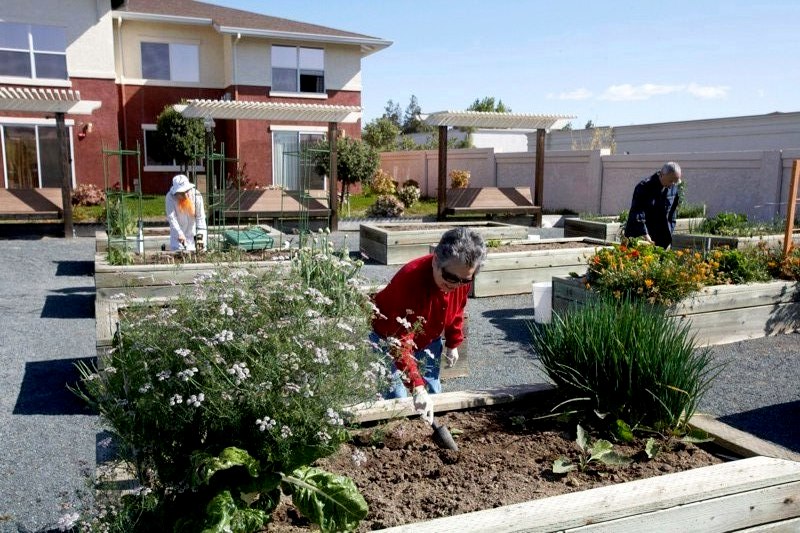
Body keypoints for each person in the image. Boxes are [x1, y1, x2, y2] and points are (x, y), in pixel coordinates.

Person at [370, 227, 486, 423]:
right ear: (435, 261)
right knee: (397, 397)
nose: (456, 285)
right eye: (450, 278)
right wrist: (416, 386)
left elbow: (457, 310)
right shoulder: (410, 280)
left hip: (428, 340)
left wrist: (453, 343)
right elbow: (399, 341)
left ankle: (427, 430)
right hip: (389, 338)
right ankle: (392, 436)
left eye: (465, 280)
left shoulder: (460, 278)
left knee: (432, 391)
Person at [624, 161, 682, 248]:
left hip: (661, 239)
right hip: (641, 237)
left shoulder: (673, 188)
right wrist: (644, 234)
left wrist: (669, 233)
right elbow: (638, 212)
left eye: (676, 181)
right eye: (671, 181)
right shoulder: (644, 187)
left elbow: (672, 214)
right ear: (662, 175)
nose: (672, 184)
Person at [166, 174, 207, 251]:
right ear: (176, 192)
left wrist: (200, 237)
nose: (185, 195)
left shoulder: (196, 195)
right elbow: (172, 218)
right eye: (181, 193)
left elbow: (200, 218)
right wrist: (179, 234)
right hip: (178, 239)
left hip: (194, 235)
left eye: (187, 191)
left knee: (200, 254)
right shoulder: (170, 197)